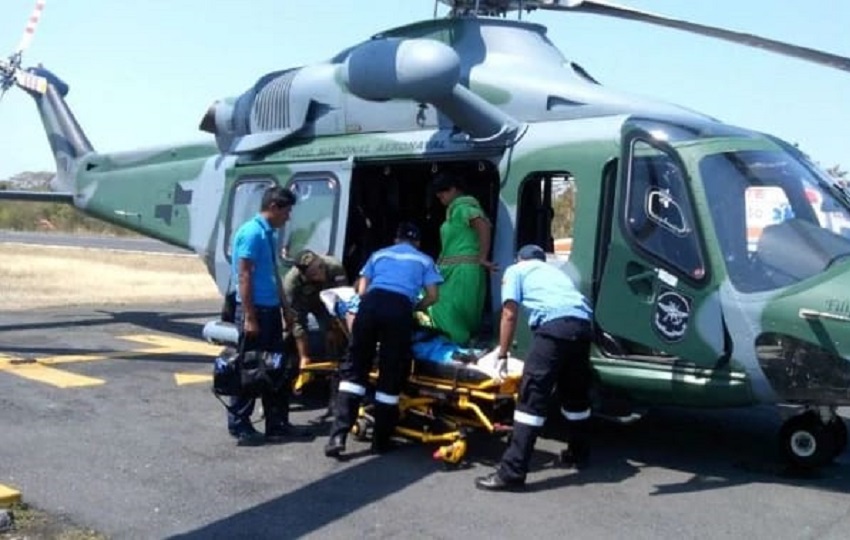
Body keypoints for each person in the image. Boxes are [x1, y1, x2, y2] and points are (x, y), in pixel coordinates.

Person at [475, 244, 594, 491]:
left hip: (554, 327)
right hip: (583, 327)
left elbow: (509, 313)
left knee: (531, 399)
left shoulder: (516, 270)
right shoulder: (557, 274)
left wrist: (503, 353)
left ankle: (512, 472)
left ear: (520, 258)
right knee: (575, 396)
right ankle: (578, 453)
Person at [324, 222, 443, 457]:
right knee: (390, 375)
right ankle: (381, 441)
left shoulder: (378, 255)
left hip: (370, 306)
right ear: (417, 243)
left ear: (396, 239)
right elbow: (433, 295)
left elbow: (361, 290)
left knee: (354, 371)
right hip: (399, 310)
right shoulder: (424, 260)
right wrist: (413, 307)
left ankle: (338, 437)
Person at [227, 185, 309, 446]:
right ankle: (240, 425)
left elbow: (273, 274)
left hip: (270, 309)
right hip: (256, 311)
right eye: (286, 210)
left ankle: (277, 423)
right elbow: (244, 275)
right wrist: (249, 316)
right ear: (273, 207)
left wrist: (285, 307)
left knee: (276, 367)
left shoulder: (269, 234)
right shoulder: (251, 233)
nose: (288, 216)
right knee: (250, 368)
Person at [428, 172, 495, 345]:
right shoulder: (453, 211)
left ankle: (458, 342)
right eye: (437, 192)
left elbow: (483, 225)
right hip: (450, 272)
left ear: (456, 190)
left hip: (463, 272)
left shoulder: (463, 207)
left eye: (444, 190)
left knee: (444, 307)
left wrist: (482, 257)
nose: (439, 195)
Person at [283, 249, 349, 368]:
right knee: (296, 326)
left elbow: (343, 297)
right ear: (305, 275)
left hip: (327, 299)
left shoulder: (334, 267)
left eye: (321, 267)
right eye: (314, 273)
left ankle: (336, 357)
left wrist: (336, 324)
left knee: (333, 325)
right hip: (303, 301)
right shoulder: (292, 282)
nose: (320, 272)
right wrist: (304, 357)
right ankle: (302, 358)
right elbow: (295, 320)